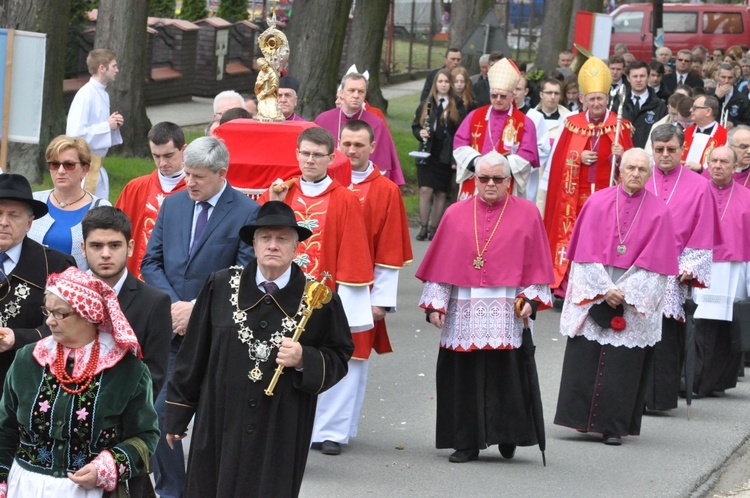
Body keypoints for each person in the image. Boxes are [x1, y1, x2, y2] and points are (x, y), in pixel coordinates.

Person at [164, 201, 352, 497]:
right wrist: (177, 414)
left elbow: (340, 356)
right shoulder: (221, 286)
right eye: (266, 237)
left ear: (296, 247)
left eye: (282, 239)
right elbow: (193, 355)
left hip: (281, 425)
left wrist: (305, 358)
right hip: (220, 420)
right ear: (254, 243)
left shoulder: (319, 299)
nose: (273, 246)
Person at [416, 151, 554, 463]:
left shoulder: (528, 213)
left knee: (507, 376)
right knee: (464, 376)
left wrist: (530, 300)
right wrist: (435, 306)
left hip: (507, 309)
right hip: (463, 307)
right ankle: (466, 441)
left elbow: (536, 264)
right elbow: (441, 266)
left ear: (509, 181)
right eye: (483, 178)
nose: (490, 184)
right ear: (473, 180)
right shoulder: (454, 213)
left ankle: (507, 435)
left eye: (497, 179)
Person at [141, 136, 260, 498]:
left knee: (216, 426)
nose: (188, 182)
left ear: (221, 174)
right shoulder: (173, 205)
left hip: (219, 336)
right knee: (158, 415)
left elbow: (245, 271)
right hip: (174, 335)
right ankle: (173, 491)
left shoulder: (245, 211)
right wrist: (177, 306)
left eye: (198, 176)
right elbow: (151, 261)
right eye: (187, 174)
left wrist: (197, 308)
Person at [554, 148, 679, 445]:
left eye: (642, 170)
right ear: (620, 169)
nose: (635, 173)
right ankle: (578, 419)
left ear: (649, 175)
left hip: (633, 294)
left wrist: (624, 293)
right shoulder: (597, 202)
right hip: (597, 288)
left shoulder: (660, 211)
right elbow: (582, 255)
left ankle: (613, 426)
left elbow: (657, 267)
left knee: (623, 366)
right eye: (630, 168)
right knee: (586, 357)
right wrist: (603, 289)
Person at [0, 267, 159, 496]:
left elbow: (146, 436)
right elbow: (5, 428)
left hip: (88, 490)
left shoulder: (127, 370)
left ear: (88, 316)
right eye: (48, 311)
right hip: (24, 487)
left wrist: (106, 468)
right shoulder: (28, 359)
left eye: (60, 314)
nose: (50, 321)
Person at [264, 127, 375, 456]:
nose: (310, 160)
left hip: (323, 297)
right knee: (281, 358)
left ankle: (330, 431)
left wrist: (351, 306)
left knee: (323, 359)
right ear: (297, 154)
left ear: (330, 158)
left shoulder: (344, 199)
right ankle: (284, 426)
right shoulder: (283, 191)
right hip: (281, 293)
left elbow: (354, 252)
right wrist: (271, 203)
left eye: (317, 155)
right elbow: (262, 237)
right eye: (305, 153)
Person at [313, 120, 412, 456]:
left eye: (359, 145)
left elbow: (389, 249)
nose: (351, 151)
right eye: (346, 144)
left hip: (359, 287)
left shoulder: (385, 190)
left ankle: (333, 431)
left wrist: (380, 300)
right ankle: (311, 425)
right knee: (311, 353)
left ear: (372, 148)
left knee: (351, 358)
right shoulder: (324, 183)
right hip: (319, 281)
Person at [542, 56, 633, 298]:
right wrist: (577, 157)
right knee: (573, 238)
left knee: (600, 241)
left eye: (600, 98)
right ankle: (566, 286)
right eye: (591, 98)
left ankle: (599, 287)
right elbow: (558, 161)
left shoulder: (619, 125)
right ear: (583, 99)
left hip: (606, 197)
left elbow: (633, 168)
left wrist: (621, 155)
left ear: (607, 98)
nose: (596, 103)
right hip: (575, 198)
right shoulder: (571, 123)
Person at [643, 125, 715, 411]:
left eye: (671, 149)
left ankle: (659, 398)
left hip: (674, 272)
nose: (664, 155)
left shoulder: (699, 186)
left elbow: (703, 232)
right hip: (637, 271)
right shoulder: (639, 177)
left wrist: (688, 268)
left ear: (682, 150)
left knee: (666, 338)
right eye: (659, 150)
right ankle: (633, 396)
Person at [0, 174, 76, 385]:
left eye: (13, 215)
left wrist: (19, 338)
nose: (3, 222)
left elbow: (71, 328)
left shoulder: (56, 265)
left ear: (29, 224)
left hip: (29, 382)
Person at [692, 146, 750, 397]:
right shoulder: (695, 191)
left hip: (733, 269)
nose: (717, 166)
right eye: (713, 161)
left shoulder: (746, 196)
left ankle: (719, 381)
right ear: (706, 162)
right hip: (699, 264)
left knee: (727, 327)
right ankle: (694, 380)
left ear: (734, 167)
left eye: (724, 162)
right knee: (700, 325)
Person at [453, 58, 540, 201]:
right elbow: (460, 144)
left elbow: (527, 154)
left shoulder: (524, 122)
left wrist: (500, 168)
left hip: (505, 183)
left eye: (503, 96)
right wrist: (478, 163)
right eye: (494, 96)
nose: (498, 99)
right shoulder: (475, 116)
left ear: (512, 95)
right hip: (476, 181)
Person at [115, 122, 187, 280]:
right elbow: (115, 232)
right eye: (156, 156)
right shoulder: (135, 187)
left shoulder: (195, 190)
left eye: (168, 156)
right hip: (137, 278)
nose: (162, 163)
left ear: (184, 150)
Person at [29, 136, 111, 270]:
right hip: (32, 287)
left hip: (78, 288)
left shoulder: (101, 208)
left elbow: (105, 259)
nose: (60, 171)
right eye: (55, 164)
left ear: (84, 170)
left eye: (69, 165)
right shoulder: (34, 202)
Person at [315, 72, 405, 185]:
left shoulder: (377, 124)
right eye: (351, 90)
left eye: (361, 91)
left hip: (365, 185)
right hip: (329, 183)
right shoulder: (323, 119)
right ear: (341, 93)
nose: (356, 95)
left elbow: (382, 165)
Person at [411, 69, 466, 241]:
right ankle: (423, 226)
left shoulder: (457, 104)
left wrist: (456, 159)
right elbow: (415, 126)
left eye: (446, 82)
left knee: (441, 193)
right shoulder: (427, 102)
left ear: (450, 84)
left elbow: (461, 131)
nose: (443, 85)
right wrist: (421, 133)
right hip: (427, 152)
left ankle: (434, 228)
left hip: (446, 153)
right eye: (440, 82)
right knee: (425, 189)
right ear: (435, 84)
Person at [66, 49, 121, 201]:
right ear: (102, 68)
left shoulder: (103, 93)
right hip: (85, 167)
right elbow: (75, 136)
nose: (117, 70)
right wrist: (106, 126)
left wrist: (113, 124)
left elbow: (99, 126)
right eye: (114, 66)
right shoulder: (85, 95)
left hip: (97, 165)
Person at [612, 60, 667, 148]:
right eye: (635, 76)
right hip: (623, 154)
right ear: (628, 78)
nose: (638, 80)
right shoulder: (619, 102)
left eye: (642, 76)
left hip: (647, 156)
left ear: (648, 77)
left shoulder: (659, 106)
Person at [682, 95, 727, 172]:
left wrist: (701, 167)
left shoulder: (725, 136)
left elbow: (725, 163)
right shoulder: (685, 132)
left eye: (695, 108)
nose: (690, 110)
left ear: (708, 112)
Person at [711, 63, 750, 128]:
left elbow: (748, 121)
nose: (726, 81)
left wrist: (734, 124)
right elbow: (704, 113)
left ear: (735, 78)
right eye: (723, 77)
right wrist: (716, 97)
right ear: (718, 77)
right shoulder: (709, 94)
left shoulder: (743, 99)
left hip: (733, 133)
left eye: (730, 78)